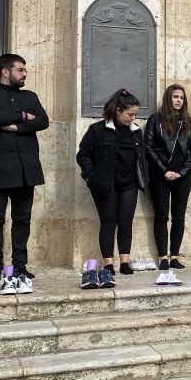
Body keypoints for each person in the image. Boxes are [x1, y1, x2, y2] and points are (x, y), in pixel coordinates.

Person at [0, 53, 49, 293]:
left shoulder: (30, 96)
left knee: (22, 219)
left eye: (24, 70)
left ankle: (20, 265)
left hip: (26, 168)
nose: (24, 73)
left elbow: (44, 121)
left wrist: (15, 126)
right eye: (20, 70)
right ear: (5, 71)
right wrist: (24, 117)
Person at [76, 89, 148, 287]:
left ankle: (124, 262)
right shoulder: (98, 130)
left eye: (135, 114)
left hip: (129, 184)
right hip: (105, 184)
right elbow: (83, 155)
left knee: (125, 221)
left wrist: (143, 177)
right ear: (118, 110)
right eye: (130, 114)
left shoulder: (136, 131)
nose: (134, 118)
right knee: (108, 222)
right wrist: (91, 177)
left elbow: (141, 157)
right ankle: (108, 263)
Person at [145, 84, 191, 270]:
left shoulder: (189, 122)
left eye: (182, 98)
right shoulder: (155, 120)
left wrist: (182, 172)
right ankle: (162, 257)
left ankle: (174, 256)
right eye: (175, 97)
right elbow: (149, 147)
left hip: (182, 176)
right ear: (168, 98)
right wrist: (164, 171)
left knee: (179, 217)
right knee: (161, 216)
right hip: (160, 176)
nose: (178, 100)